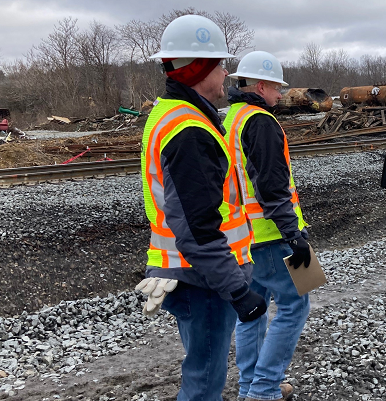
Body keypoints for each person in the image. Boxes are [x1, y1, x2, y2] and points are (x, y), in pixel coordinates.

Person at [134, 15, 268, 401]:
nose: (226, 74)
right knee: (205, 379)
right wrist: (238, 291)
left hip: (188, 270)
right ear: (199, 68)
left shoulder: (170, 114)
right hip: (203, 277)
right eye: (221, 65)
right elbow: (197, 227)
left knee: (202, 369)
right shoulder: (190, 128)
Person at [223, 51, 311, 401]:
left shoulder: (231, 118)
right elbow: (272, 188)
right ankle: (263, 390)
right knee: (296, 305)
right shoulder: (261, 121)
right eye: (277, 88)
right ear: (261, 85)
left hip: (242, 237)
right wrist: (294, 234)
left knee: (253, 311)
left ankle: (252, 387)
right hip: (274, 234)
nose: (280, 96)